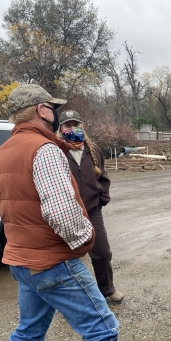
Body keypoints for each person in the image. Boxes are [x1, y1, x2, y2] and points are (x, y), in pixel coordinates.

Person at [0, 84, 119, 341]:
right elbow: (61, 213)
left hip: (21, 260)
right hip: (51, 262)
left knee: (28, 332)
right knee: (102, 329)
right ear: (41, 110)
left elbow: (3, 206)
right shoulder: (45, 149)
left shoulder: (2, 152)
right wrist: (85, 239)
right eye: (53, 108)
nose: (55, 113)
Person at [57, 110, 124, 303]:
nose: (72, 129)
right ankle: (70, 298)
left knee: (102, 252)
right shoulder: (55, 150)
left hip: (92, 210)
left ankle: (107, 290)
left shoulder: (92, 149)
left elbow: (103, 177)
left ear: (82, 126)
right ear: (61, 129)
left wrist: (101, 198)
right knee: (66, 257)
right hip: (67, 213)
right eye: (67, 125)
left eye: (75, 124)